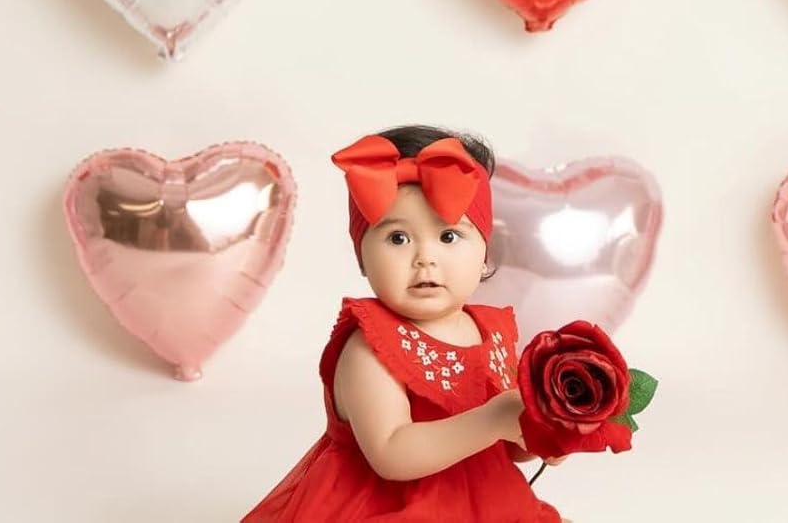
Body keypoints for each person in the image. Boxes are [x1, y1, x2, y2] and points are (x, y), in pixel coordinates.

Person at [242, 124, 565, 520]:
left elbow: (504, 445)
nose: (425, 258)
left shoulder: (489, 332)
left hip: (484, 500)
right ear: (361, 256)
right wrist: (492, 419)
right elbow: (391, 452)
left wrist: (540, 433)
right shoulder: (369, 346)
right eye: (398, 238)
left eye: (448, 237)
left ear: (485, 252)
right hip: (390, 505)